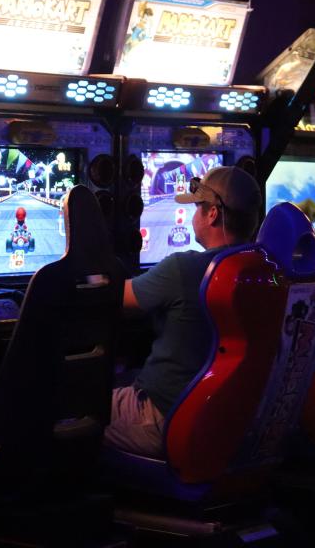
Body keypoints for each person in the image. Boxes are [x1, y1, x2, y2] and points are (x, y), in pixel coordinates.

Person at [105, 166, 262, 458]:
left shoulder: (183, 268)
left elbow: (113, 298)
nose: (194, 216)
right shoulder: (266, 269)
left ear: (212, 214)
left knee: (65, 401)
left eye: (197, 207)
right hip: (233, 422)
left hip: (164, 419)